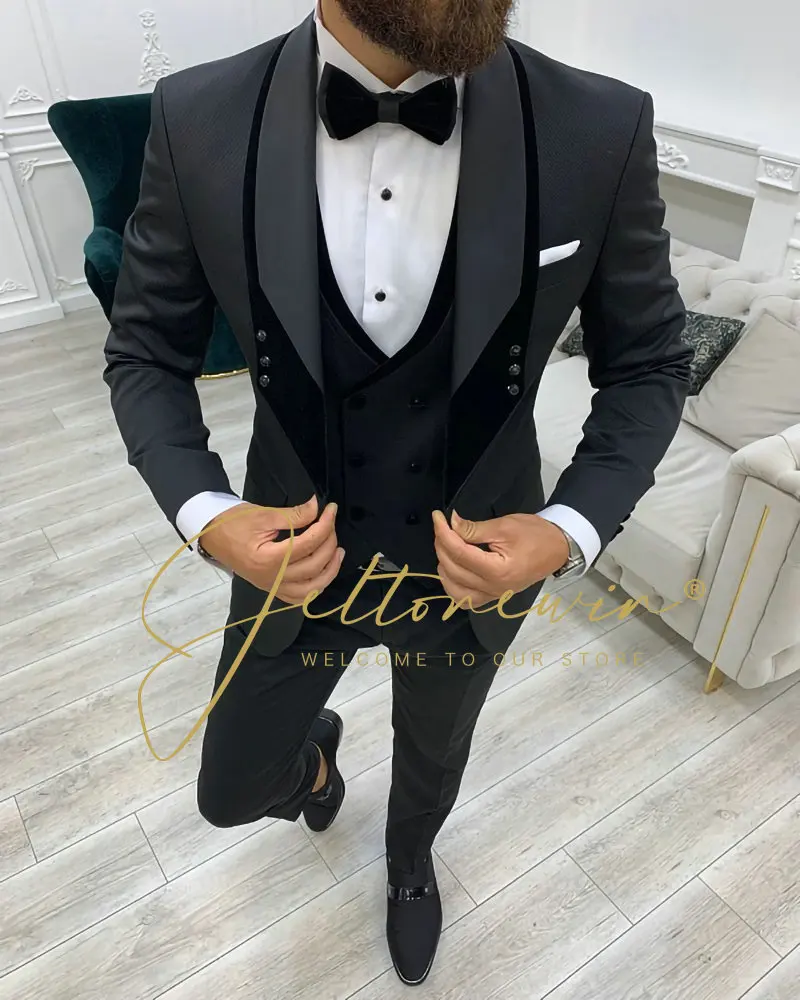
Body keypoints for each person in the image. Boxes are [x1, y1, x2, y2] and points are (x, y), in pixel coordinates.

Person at [104, 0, 692, 985]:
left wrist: (568, 528)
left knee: (436, 749)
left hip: (474, 573)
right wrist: (210, 516)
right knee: (230, 789)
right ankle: (314, 760)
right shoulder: (196, 114)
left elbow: (649, 365)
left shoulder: (601, 124)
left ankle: (411, 858)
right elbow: (144, 353)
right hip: (290, 563)